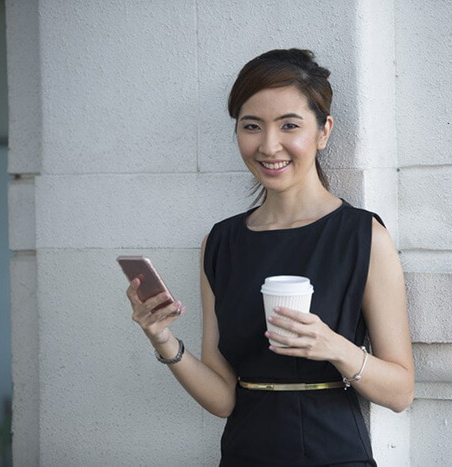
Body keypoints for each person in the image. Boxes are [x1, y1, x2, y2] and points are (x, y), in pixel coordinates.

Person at [125, 48, 414, 466]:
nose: (268, 145)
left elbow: (402, 392)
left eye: (289, 125)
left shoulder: (363, 236)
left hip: (334, 452)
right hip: (244, 453)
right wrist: (163, 339)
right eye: (252, 126)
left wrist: (333, 346)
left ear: (323, 131)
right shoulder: (221, 242)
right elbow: (223, 398)